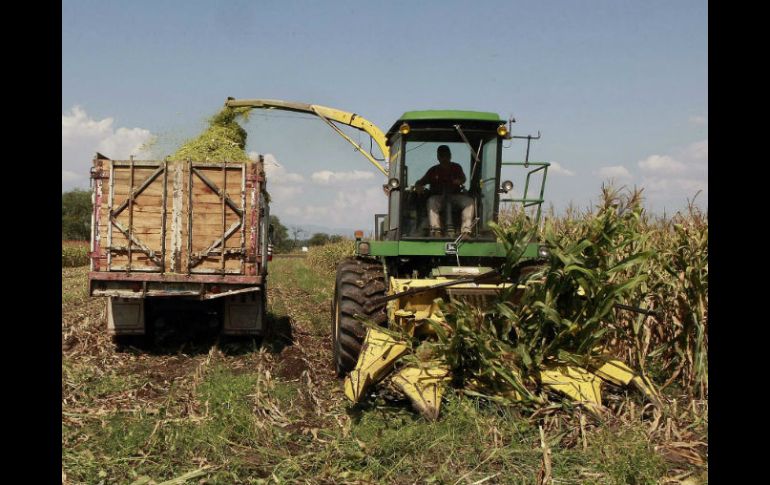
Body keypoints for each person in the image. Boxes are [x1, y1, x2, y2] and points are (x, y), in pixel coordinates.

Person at [414, 145, 475, 236]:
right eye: (442, 156)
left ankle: (466, 231)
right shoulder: (433, 170)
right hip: (439, 198)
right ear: (438, 157)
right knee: (431, 201)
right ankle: (436, 230)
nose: (444, 158)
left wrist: (458, 181)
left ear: (450, 156)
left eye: (446, 155)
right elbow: (420, 182)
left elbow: (463, 179)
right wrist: (418, 186)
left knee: (469, 201)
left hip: (454, 197)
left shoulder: (456, 167)